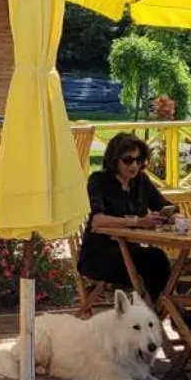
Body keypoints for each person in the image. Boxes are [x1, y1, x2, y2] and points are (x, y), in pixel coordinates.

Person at [76, 133, 173, 312]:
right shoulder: (99, 181)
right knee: (154, 263)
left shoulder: (141, 181)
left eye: (139, 160)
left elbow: (164, 205)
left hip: (130, 251)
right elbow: (97, 221)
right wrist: (137, 221)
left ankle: (162, 314)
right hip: (99, 255)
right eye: (128, 160)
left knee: (158, 260)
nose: (135, 165)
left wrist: (172, 216)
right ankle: (164, 315)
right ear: (114, 160)